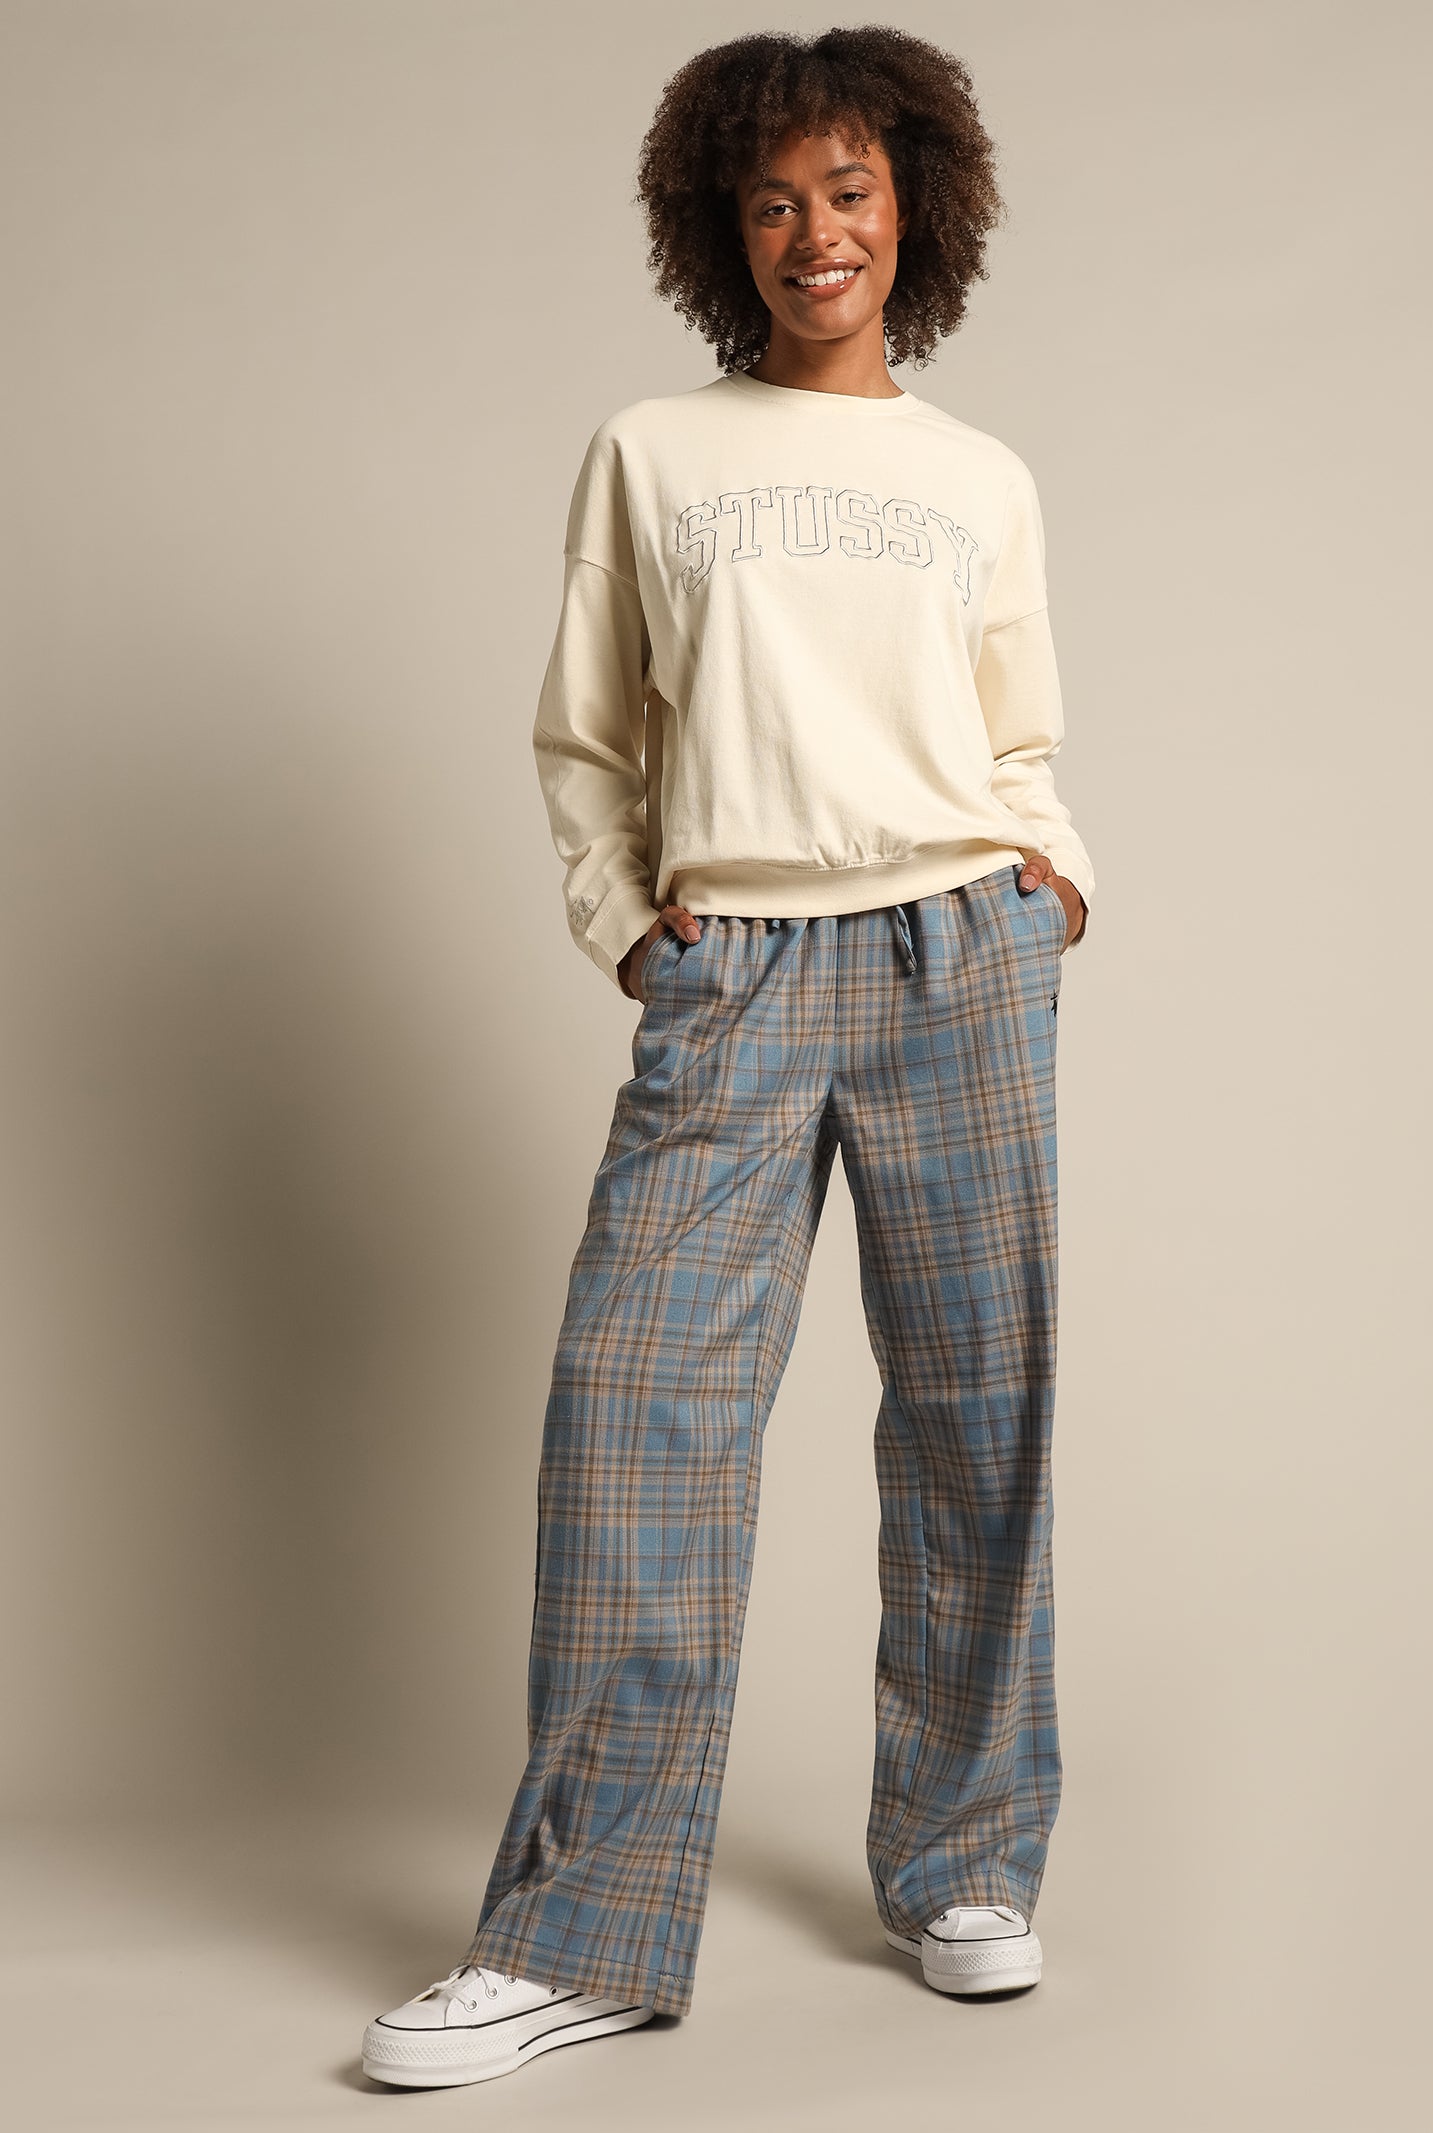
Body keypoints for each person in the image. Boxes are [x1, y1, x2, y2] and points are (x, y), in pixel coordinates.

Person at [362, 24, 1094, 2090]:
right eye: (773, 201)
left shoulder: (979, 479)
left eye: (848, 191)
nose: (813, 232)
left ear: (914, 208)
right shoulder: (651, 453)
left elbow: (1019, 733)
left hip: (960, 949)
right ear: (723, 228)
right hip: (737, 966)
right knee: (636, 1414)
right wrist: (626, 917)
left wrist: (1053, 881)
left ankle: (963, 1859)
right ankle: (578, 1929)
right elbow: (587, 735)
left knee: (977, 1415)